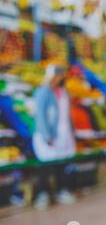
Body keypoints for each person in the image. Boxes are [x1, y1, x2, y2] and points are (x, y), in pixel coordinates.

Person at [33, 65, 76, 210]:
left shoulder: (63, 92)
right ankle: (42, 195)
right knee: (46, 165)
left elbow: (66, 115)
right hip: (48, 134)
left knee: (61, 164)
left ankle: (61, 191)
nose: (61, 78)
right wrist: (47, 135)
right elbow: (40, 115)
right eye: (59, 75)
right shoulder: (43, 92)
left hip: (63, 134)